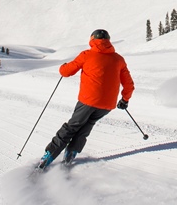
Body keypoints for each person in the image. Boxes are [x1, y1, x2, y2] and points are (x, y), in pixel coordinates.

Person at [38, 29, 134, 169]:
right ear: (108, 41)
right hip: (107, 105)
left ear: (92, 40)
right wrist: (125, 100)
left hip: (88, 101)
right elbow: (129, 84)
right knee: (86, 126)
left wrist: (63, 66)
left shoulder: (87, 55)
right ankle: (70, 154)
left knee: (72, 126)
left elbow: (65, 72)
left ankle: (49, 156)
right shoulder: (118, 59)